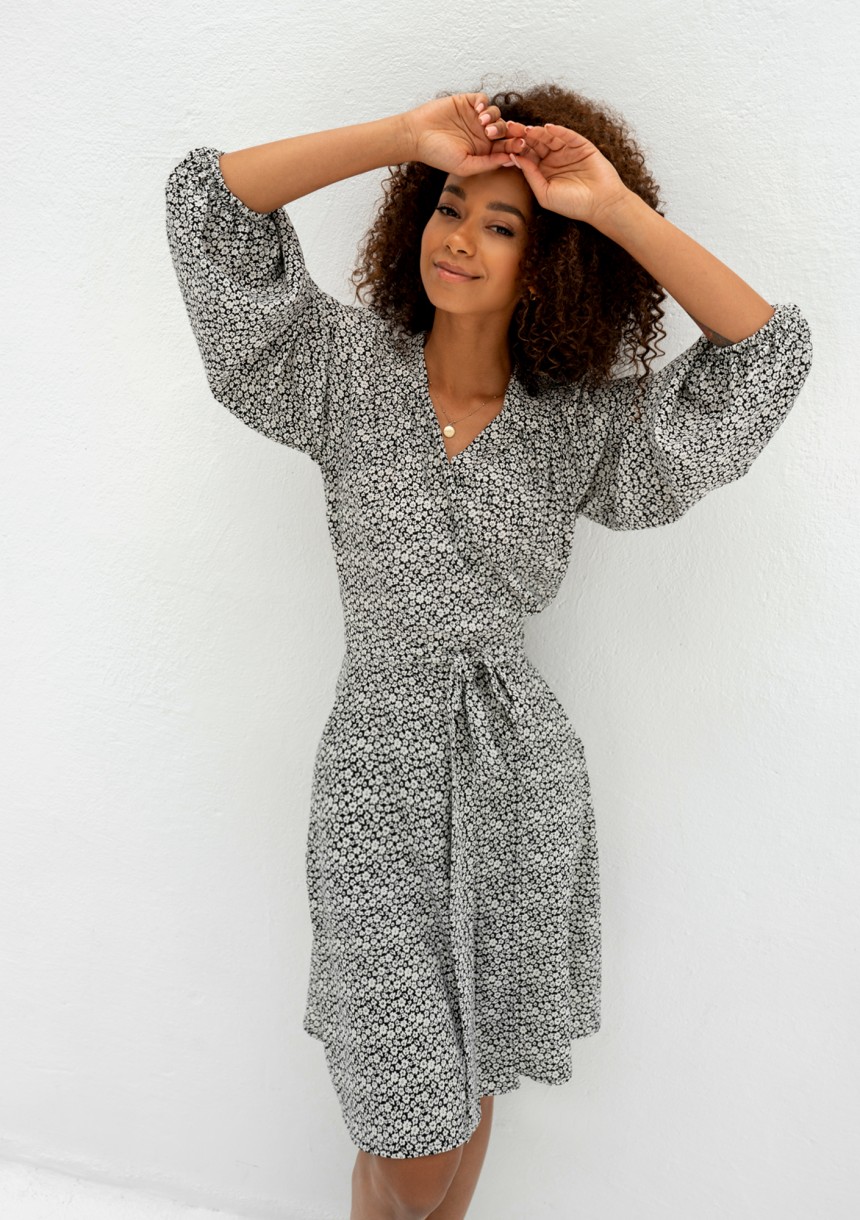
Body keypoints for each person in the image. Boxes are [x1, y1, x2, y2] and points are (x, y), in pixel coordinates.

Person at [164, 83, 812, 1220]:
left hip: (517, 779)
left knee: (468, 1090)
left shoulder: (577, 425)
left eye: (501, 224)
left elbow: (763, 358)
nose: (459, 238)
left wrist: (609, 207)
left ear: (548, 263)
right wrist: (398, 137)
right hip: (376, 780)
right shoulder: (344, 372)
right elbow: (206, 206)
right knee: (409, 1135)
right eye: (448, 206)